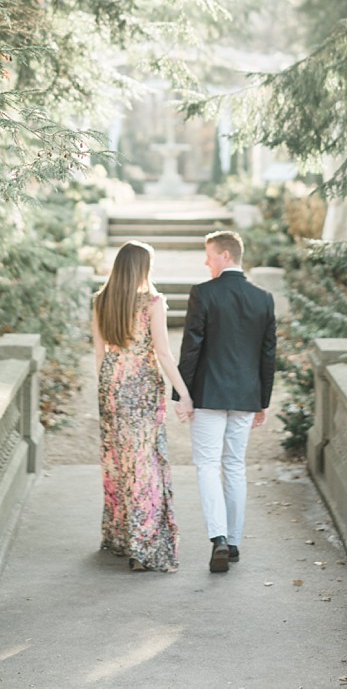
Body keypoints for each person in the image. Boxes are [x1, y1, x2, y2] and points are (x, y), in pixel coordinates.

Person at [176, 229, 276, 573]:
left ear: (225, 256)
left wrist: (183, 394)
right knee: (234, 465)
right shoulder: (263, 299)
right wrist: (263, 399)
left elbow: (191, 347)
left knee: (207, 465)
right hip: (246, 395)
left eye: (209, 255)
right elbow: (268, 353)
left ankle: (217, 537)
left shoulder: (203, 294)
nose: (206, 261)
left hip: (209, 393)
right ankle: (233, 542)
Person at [92, 240, 194, 572]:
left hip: (111, 385)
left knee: (119, 463)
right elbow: (163, 354)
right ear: (142, 268)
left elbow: (99, 355)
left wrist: (108, 390)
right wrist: (184, 393)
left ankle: (123, 537)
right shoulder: (153, 303)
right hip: (142, 388)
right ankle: (143, 546)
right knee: (145, 466)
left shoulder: (100, 301)